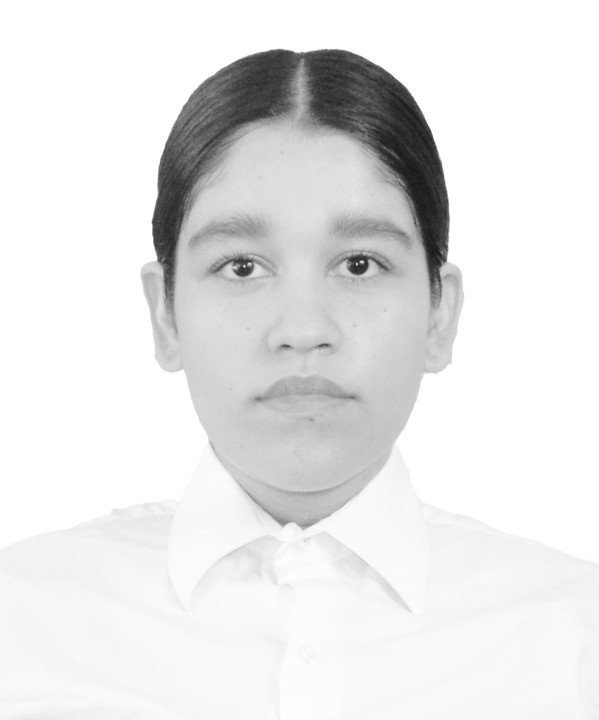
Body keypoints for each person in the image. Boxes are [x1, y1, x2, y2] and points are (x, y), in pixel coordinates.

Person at [0, 48, 597, 719]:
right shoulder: (19, 624)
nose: (304, 329)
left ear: (440, 313)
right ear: (165, 313)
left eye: (360, 264)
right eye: (242, 267)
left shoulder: (575, 639)